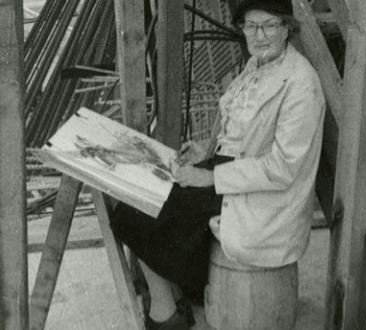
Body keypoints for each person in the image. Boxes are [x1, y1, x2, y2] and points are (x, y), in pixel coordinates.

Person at [110, 0, 326, 329]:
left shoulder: (301, 84)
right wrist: (205, 150)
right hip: (230, 174)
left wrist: (208, 177)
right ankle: (172, 295)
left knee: (133, 215)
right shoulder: (258, 64)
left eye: (269, 25)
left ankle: (166, 311)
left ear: (287, 28)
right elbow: (238, 129)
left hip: (258, 193)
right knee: (138, 194)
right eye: (251, 27)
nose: (260, 35)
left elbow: (282, 168)